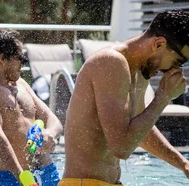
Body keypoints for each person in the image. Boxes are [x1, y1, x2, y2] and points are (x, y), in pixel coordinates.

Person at [61, 9, 189, 185]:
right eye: (178, 62)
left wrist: (183, 164)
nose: (174, 71)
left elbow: (140, 132)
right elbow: (121, 147)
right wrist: (163, 97)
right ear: (159, 44)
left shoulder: (138, 71)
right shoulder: (111, 62)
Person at [0, 28, 63, 186]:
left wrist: (50, 133)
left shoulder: (21, 84)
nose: (23, 64)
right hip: (13, 177)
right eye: (21, 58)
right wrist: (22, 177)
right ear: (2, 58)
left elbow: (52, 119)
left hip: (48, 172)